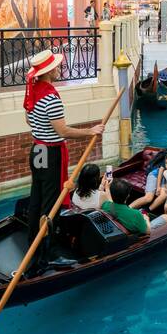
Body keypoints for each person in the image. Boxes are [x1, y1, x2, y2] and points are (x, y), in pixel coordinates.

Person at [23, 49, 104, 271]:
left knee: (36, 200)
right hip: (50, 154)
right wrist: (91, 131)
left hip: (37, 149)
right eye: (56, 67)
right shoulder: (50, 98)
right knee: (51, 207)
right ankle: (46, 256)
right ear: (49, 72)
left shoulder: (32, 91)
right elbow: (63, 130)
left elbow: (30, 122)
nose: (59, 70)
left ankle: (33, 243)